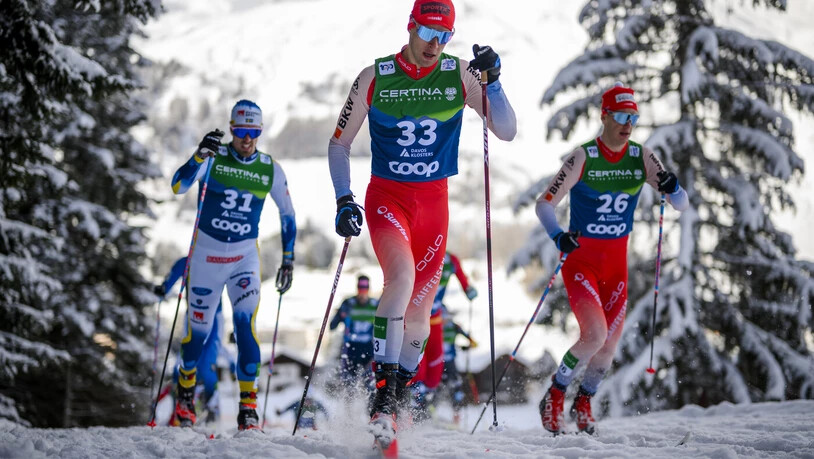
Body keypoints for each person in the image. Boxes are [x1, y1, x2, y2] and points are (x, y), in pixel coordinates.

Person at [328, 0, 516, 443]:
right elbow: (339, 144)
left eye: (445, 35)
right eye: (428, 32)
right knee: (401, 278)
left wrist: (496, 84)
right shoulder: (374, 77)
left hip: (434, 207)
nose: (435, 44)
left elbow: (505, 131)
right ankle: (381, 393)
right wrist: (343, 199)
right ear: (411, 27)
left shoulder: (459, 75)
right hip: (387, 199)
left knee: (420, 315)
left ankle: (394, 398)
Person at [534, 83, 688, 435]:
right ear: (604, 116)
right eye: (620, 115)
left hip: (617, 268)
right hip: (582, 264)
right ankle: (555, 394)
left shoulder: (642, 157)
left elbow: (680, 204)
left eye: (633, 116)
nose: (627, 123)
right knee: (593, 336)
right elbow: (544, 204)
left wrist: (673, 186)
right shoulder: (583, 156)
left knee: (607, 349)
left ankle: (583, 402)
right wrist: (559, 235)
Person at [170, 99, 297, 431]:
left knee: (246, 329)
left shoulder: (270, 167)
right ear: (231, 129)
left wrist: (288, 259)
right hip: (206, 258)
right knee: (197, 335)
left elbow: (288, 214)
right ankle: (185, 390)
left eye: (253, 132)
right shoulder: (213, 158)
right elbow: (177, 185)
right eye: (241, 131)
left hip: (243, 259)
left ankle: (247, 407)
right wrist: (198, 155)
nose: (247, 139)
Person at [153, 257, 235, 425]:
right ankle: (183, 405)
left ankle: (211, 409)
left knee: (207, 363)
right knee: (188, 357)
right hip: (193, 315)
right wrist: (163, 288)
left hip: (215, 316)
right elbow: (171, 278)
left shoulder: (218, 258)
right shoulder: (188, 260)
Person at [411, 252, 476, 420]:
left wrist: (469, 289)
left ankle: (427, 405)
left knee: (435, 373)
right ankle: (411, 404)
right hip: (415, 316)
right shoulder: (421, 249)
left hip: (435, 318)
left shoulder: (451, 260)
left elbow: (463, 280)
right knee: (418, 367)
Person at [329, 275, 379, 393]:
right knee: (349, 384)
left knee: (370, 384)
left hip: (368, 348)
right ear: (357, 288)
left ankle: (370, 408)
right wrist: (340, 315)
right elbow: (332, 325)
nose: (362, 292)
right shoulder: (348, 304)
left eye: (365, 288)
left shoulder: (374, 304)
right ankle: (348, 409)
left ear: (368, 289)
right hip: (350, 348)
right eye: (360, 287)